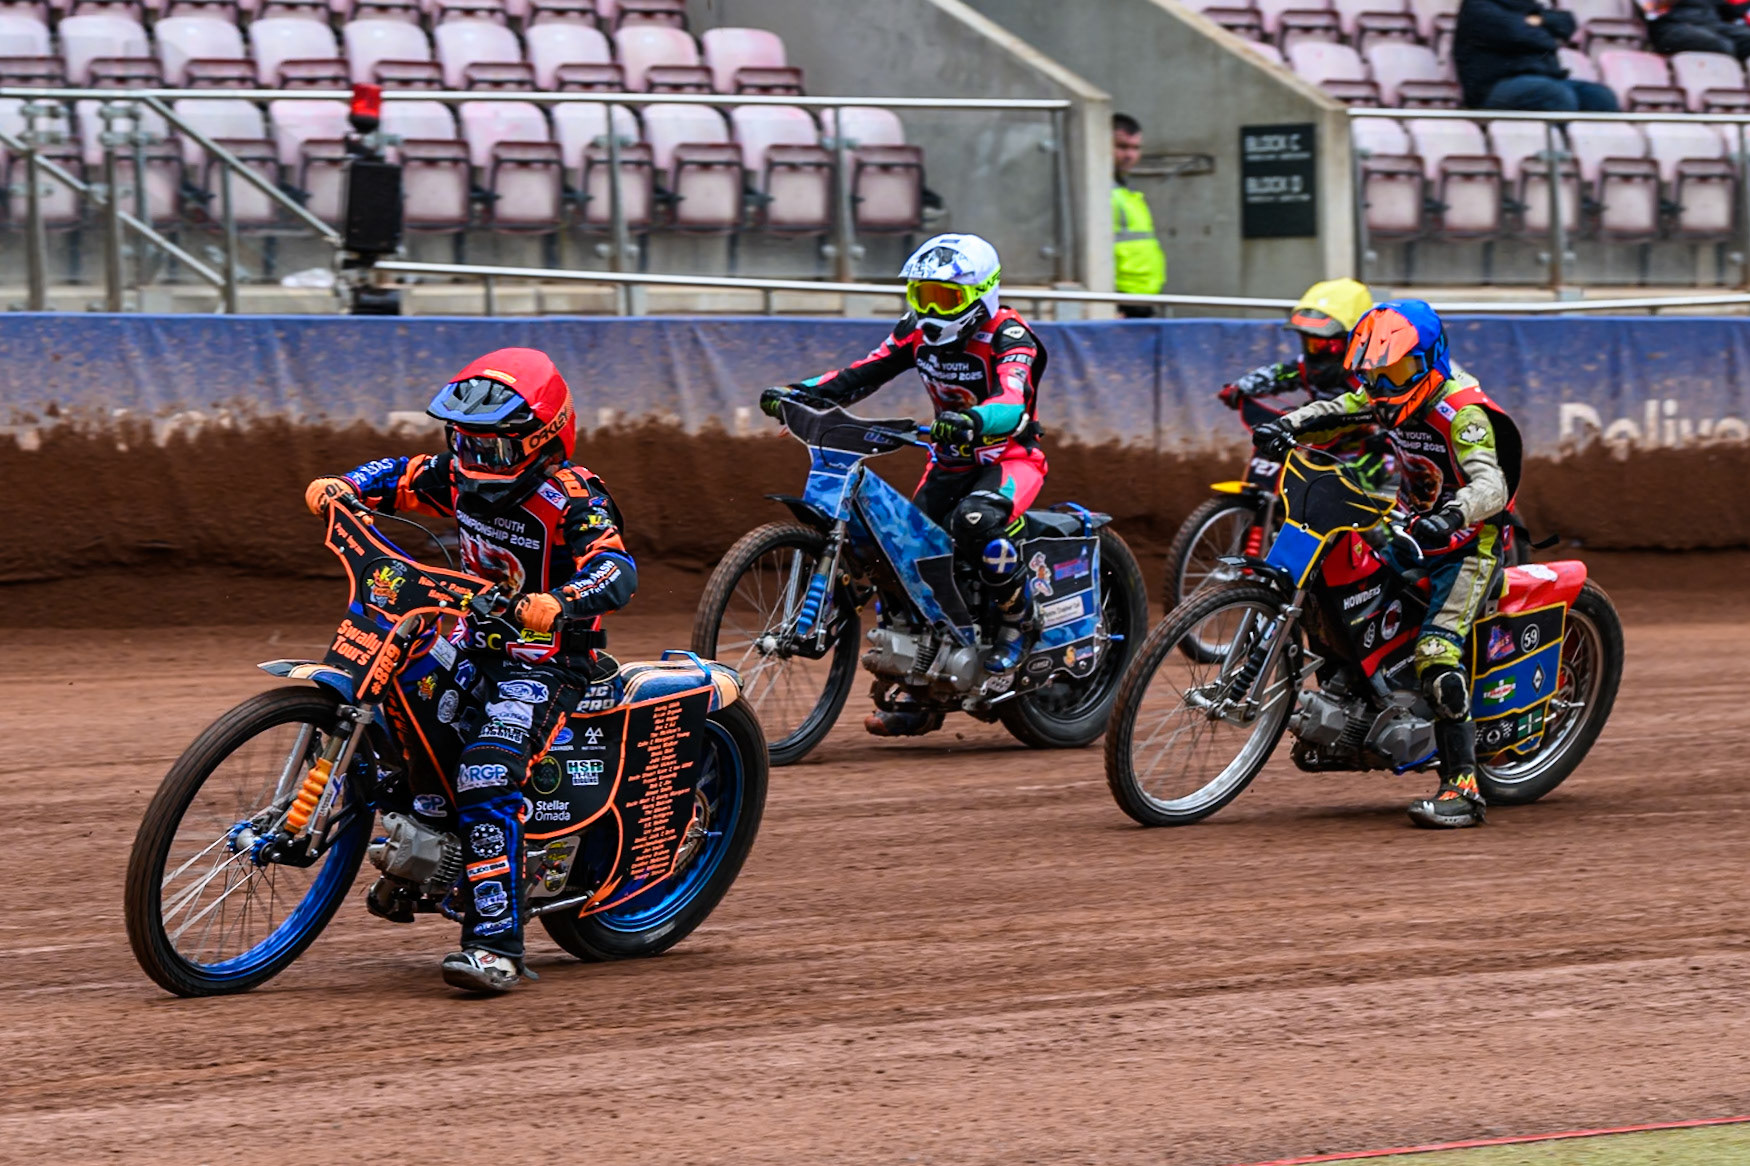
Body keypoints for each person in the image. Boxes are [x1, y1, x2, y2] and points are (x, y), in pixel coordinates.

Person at [304, 347, 636, 992]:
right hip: (468, 636)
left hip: (546, 661)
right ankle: (426, 847)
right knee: (399, 701)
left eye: (492, 446)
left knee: (486, 772)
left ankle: (496, 946)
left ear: (542, 442)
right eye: (463, 440)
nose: (473, 458)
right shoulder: (456, 474)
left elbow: (615, 568)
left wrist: (560, 601)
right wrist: (345, 485)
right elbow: (398, 473)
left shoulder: (574, 497)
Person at [760, 233, 1047, 737]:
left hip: (1008, 459)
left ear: (983, 294)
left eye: (946, 298)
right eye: (922, 295)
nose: (931, 310)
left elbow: (1012, 400)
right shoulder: (915, 332)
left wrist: (974, 420)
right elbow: (862, 373)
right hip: (947, 463)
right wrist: (799, 393)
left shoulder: (1010, 337)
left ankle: (1019, 624)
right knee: (908, 560)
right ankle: (920, 691)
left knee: (975, 523)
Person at [1251, 301, 1522, 830]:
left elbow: (1493, 485)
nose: (1382, 386)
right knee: (1345, 595)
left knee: (1436, 654)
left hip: (1467, 548)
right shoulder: (1379, 397)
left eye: (1396, 372)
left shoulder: (1462, 414)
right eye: (1375, 373)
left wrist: (1453, 515)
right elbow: (1336, 409)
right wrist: (1286, 426)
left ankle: (1463, 788)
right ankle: (1355, 705)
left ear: (1430, 360)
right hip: (1408, 532)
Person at [1219, 278, 1389, 489]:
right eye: (1311, 344)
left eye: (1328, 345)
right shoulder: (1304, 368)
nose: (1316, 352)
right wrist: (1241, 386)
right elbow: (1278, 374)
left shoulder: (1371, 374)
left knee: (1338, 485)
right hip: (1320, 445)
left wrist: (1376, 433)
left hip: (1369, 454)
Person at [1454, 0, 1621, 111]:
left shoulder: (1526, 6)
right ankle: (1557, 150)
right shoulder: (1478, 6)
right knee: (1553, 93)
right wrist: (1545, 29)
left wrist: (1536, 21)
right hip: (1493, 88)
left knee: (1600, 96)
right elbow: (1522, 35)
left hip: (1542, 79)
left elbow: (1566, 22)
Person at [1112, 112, 1167, 318]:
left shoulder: (1129, 194)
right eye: (1122, 147)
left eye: (1136, 148)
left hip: (1143, 298)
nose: (1130, 155)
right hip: (1119, 301)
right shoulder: (1099, 193)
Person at [1638, 0, 1750, 60]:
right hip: (1673, 26)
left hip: (1711, 24)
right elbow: (1649, 8)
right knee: (1721, 45)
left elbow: (1732, 11)